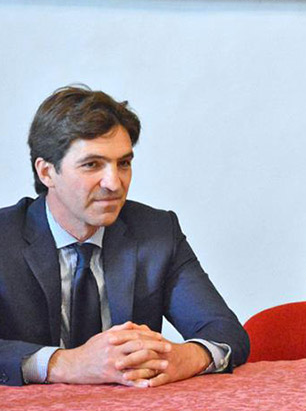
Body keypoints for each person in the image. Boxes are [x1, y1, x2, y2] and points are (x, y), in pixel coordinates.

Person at [0, 85, 249, 387]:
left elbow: (225, 332)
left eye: (124, 163)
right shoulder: (5, 236)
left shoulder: (156, 232)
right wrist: (65, 364)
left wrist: (185, 357)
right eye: (92, 165)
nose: (114, 183)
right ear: (46, 172)